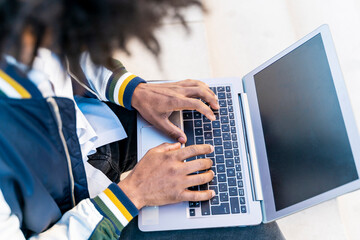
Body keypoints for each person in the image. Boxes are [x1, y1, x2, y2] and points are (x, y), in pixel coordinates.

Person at [0, 0, 285, 239]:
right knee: (256, 231)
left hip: (89, 136)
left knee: (212, 119)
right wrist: (132, 194)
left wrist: (133, 89)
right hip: (79, 218)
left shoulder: (33, 15)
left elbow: (74, 41)